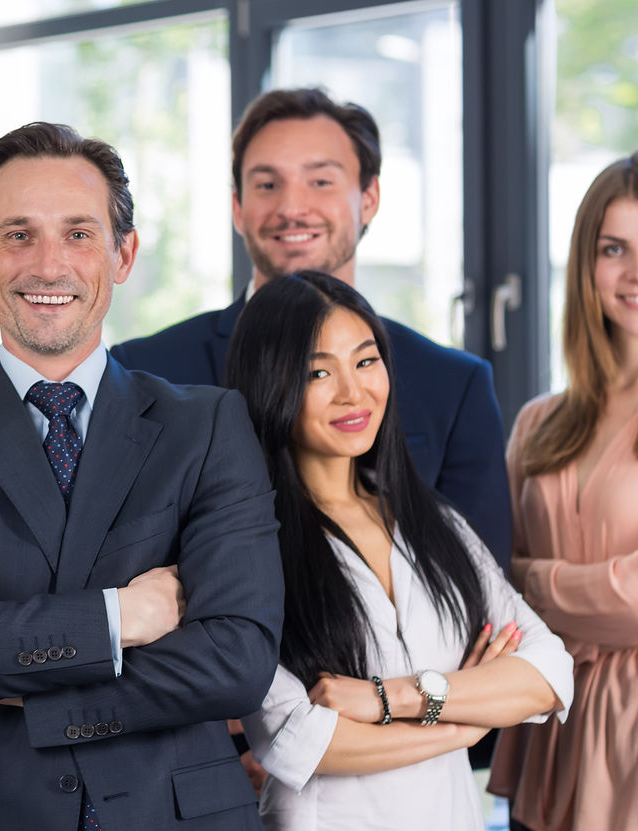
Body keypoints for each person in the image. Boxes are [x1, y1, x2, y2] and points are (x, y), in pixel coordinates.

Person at [0, 122, 284, 831]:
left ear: (123, 253)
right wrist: (124, 617)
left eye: (78, 234)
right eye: (17, 234)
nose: (47, 265)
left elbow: (236, 658)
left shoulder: (205, 426)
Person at [109, 87, 512, 570]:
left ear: (369, 198)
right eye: (267, 185)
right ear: (237, 207)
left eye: (320, 182)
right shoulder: (144, 371)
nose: (292, 208)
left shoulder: (454, 385)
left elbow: (482, 590)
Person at [226, 270, 571, 830]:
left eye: (366, 361)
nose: (352, 391)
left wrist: (390, 699)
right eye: (319, 371)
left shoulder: (433, 522)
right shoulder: (247, 544)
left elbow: (549, 672)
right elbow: (298, 742)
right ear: (272, 384)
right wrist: (467, 721)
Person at [488, 151, 638, 831]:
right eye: (612, 248)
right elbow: (488, 595)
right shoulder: (538, 421)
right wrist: (527, 588)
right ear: (585, 268)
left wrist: (531, 582)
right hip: (544, 745)